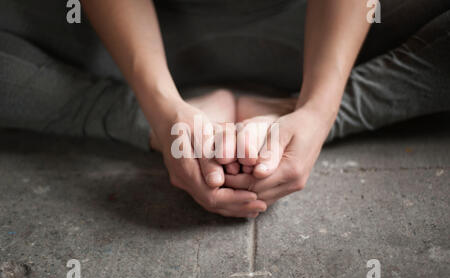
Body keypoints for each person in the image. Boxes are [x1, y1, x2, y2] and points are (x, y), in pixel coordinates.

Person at [0, 0, 449, 218]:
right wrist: (161, 109)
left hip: (326, 26)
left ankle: (295, 110)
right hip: (132, 34)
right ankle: (155, 117)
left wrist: (320, 110)